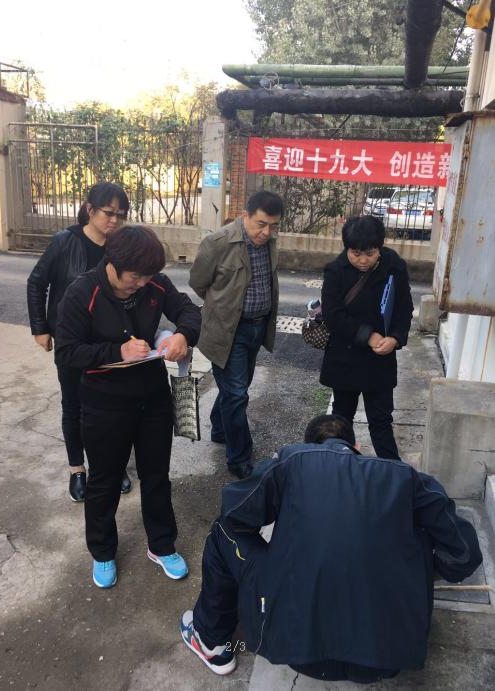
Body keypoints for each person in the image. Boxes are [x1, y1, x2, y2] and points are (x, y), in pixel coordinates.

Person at [180, 414, 482, 680]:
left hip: (296, 650)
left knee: (223, 530)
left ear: (308, 446)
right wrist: (414, 574)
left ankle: (212, 641)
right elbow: (464, 556)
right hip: (389, 659)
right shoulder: (406, 477)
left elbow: (234, 511)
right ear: (357, 447)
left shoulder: (293, 460)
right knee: (423, 532)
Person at [55, 224, 201, 588]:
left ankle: (162, 545)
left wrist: (182, 334)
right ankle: (103, 551)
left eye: (147, 277)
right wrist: (116, 351)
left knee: (156, 476)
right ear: (112, 263)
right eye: (135, 277)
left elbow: (189, 311)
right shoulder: (82, 292)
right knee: (103, 481)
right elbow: (67, 352)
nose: (141, 283)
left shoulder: (154, 284)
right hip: (104, 404)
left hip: (153, 399)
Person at [27, 182, 133, 502]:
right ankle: (77, 469)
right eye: (108, 213)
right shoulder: (65, 242)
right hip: (72, 342)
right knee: (74, 405)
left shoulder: (120, 246)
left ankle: (113, 464)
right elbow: (36, 283)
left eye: (121, 215)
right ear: (90, 210)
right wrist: (40, 328)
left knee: (112, 407)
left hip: (110, 344)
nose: (114, 220)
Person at [189, 191, 284, 479]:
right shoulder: (218, 242)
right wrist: (222, 307)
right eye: (261, 224)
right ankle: (239, 458)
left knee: (235, 389)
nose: (266, 232)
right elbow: (198, 282)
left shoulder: (269, 243)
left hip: (258, 327)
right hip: (229, 331)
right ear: (245, 216)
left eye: (273, 226)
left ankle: (220, 427)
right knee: (237, 393)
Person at [320, 215, 414, 460]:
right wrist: (368, 336)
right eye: (356, 254)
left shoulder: (394, 267)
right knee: (341, 419)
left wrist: (395, 338)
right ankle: (339, 467)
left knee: (381, 421)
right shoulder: (335, 271)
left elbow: (404, 308)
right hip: (345, 356)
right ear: (347, 248)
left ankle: (393, 472)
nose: (362, 260)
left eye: (370, 254)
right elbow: (333, 315)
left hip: (380, 359)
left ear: (380, 247)